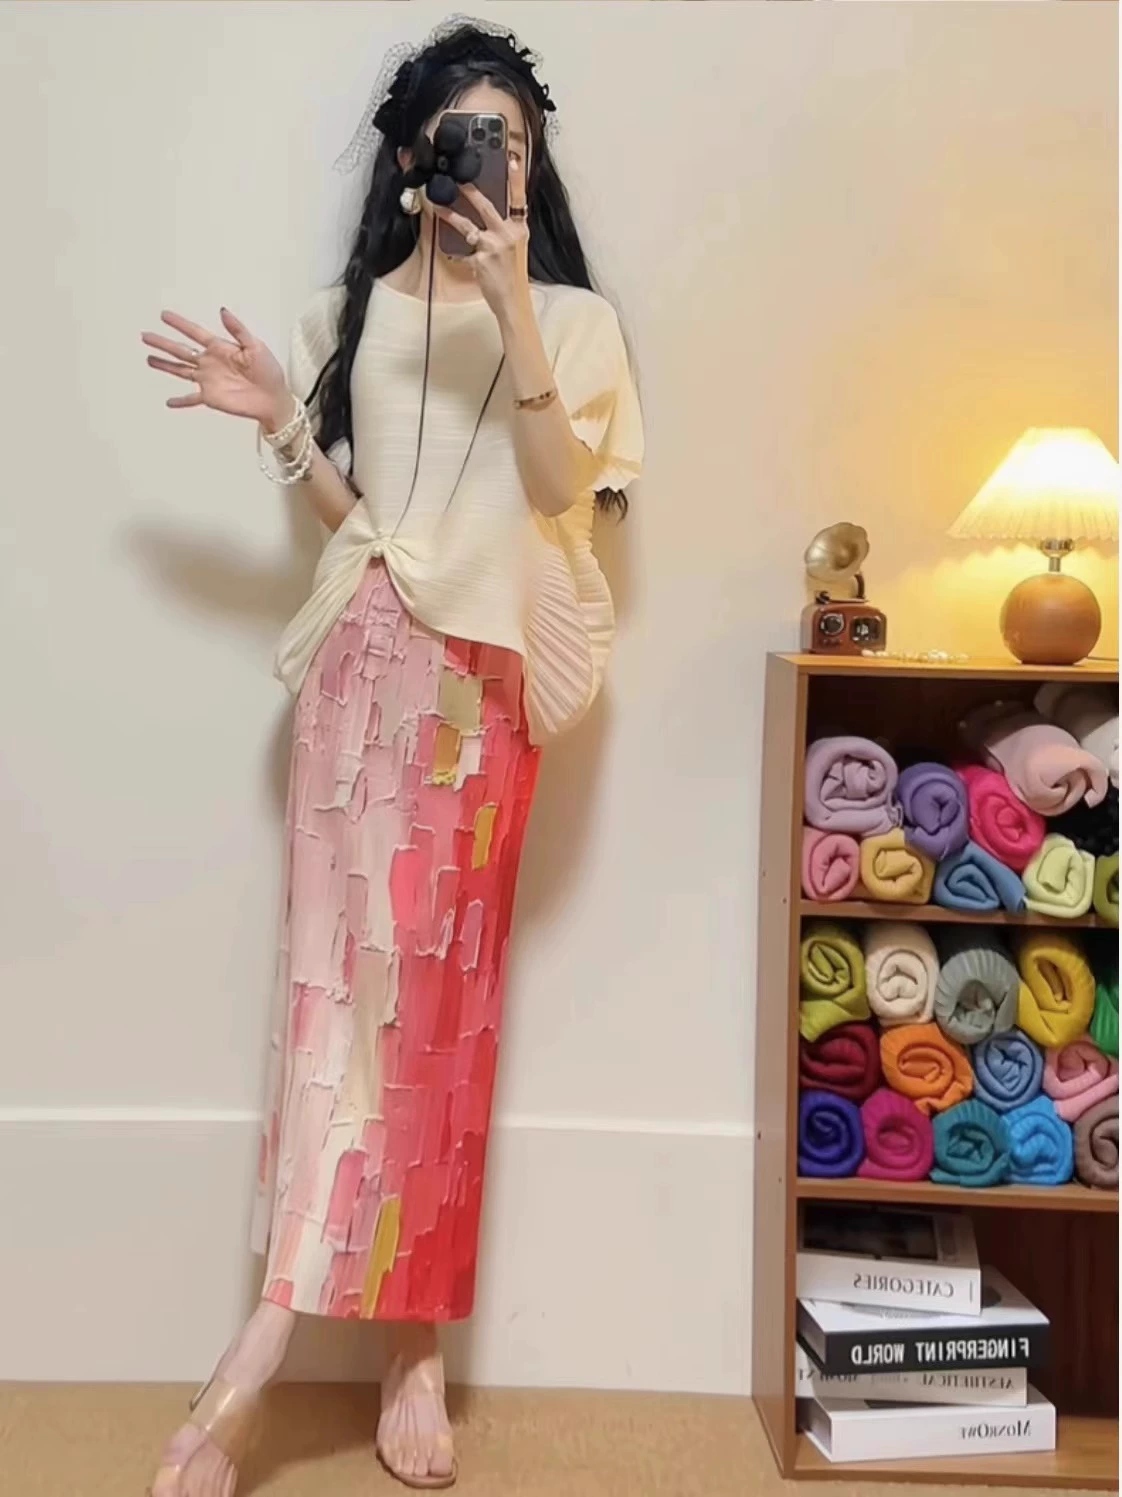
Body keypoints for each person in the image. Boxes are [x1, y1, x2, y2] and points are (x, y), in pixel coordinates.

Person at [140, 17, 642, 1494]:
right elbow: (367, 529)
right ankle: (283, 1348)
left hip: (477, 700)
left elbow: (554, 494)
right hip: (358, 675)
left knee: (440, 1017)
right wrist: (283, 427)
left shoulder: (575, 323)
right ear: (415, 156)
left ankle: (393, 1345)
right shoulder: (348, 315)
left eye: (517, 144)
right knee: (326, 1014)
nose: (497, 164)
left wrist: (516, 304)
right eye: (470, 138)